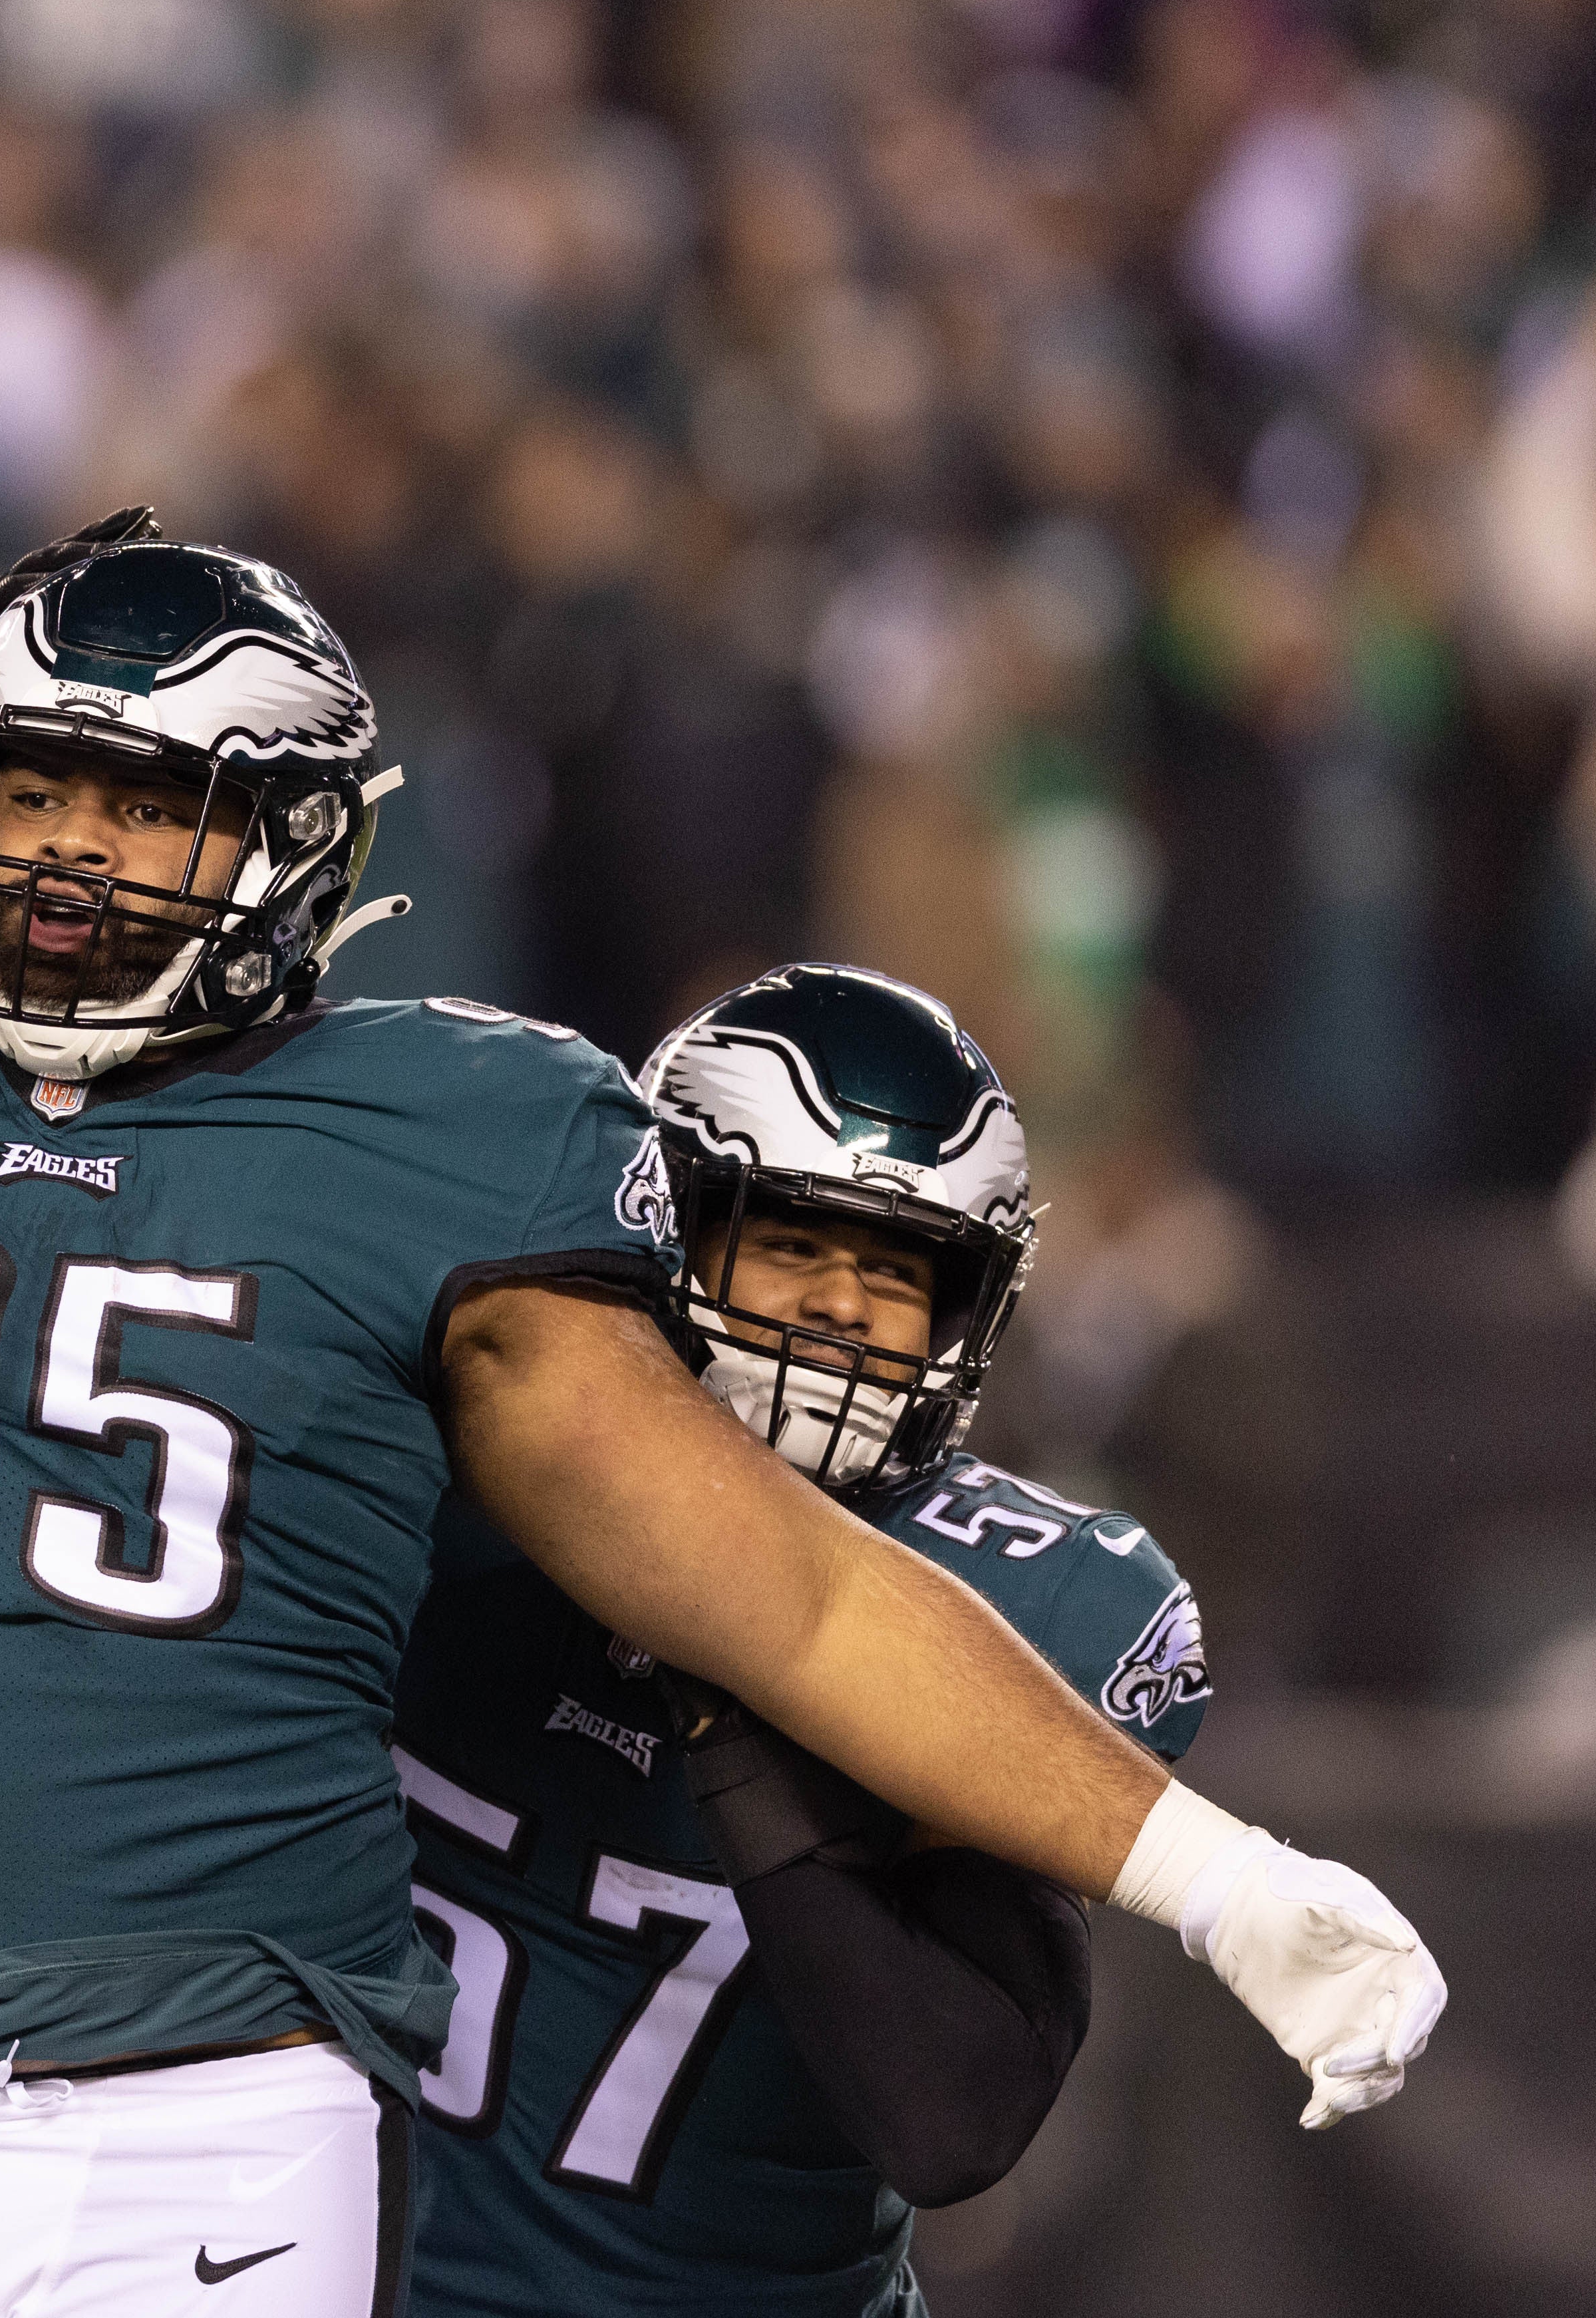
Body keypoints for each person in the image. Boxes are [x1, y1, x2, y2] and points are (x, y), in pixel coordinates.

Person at [0, 133, 1440, 2317]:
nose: (77, 855)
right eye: (43, 785)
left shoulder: (450, 1130)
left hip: (197, 2126)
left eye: (152, 806)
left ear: (294, 850)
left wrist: (1214, 1875)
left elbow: (790, 1583)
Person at [397, 964, 1207, 2315]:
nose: (840, 1303)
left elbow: (949, 2118)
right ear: (663, 1231)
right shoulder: (444, 1470)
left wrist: (724, 1661)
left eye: (895, 1269)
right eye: (789, 1243)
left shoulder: (1023, 1604)